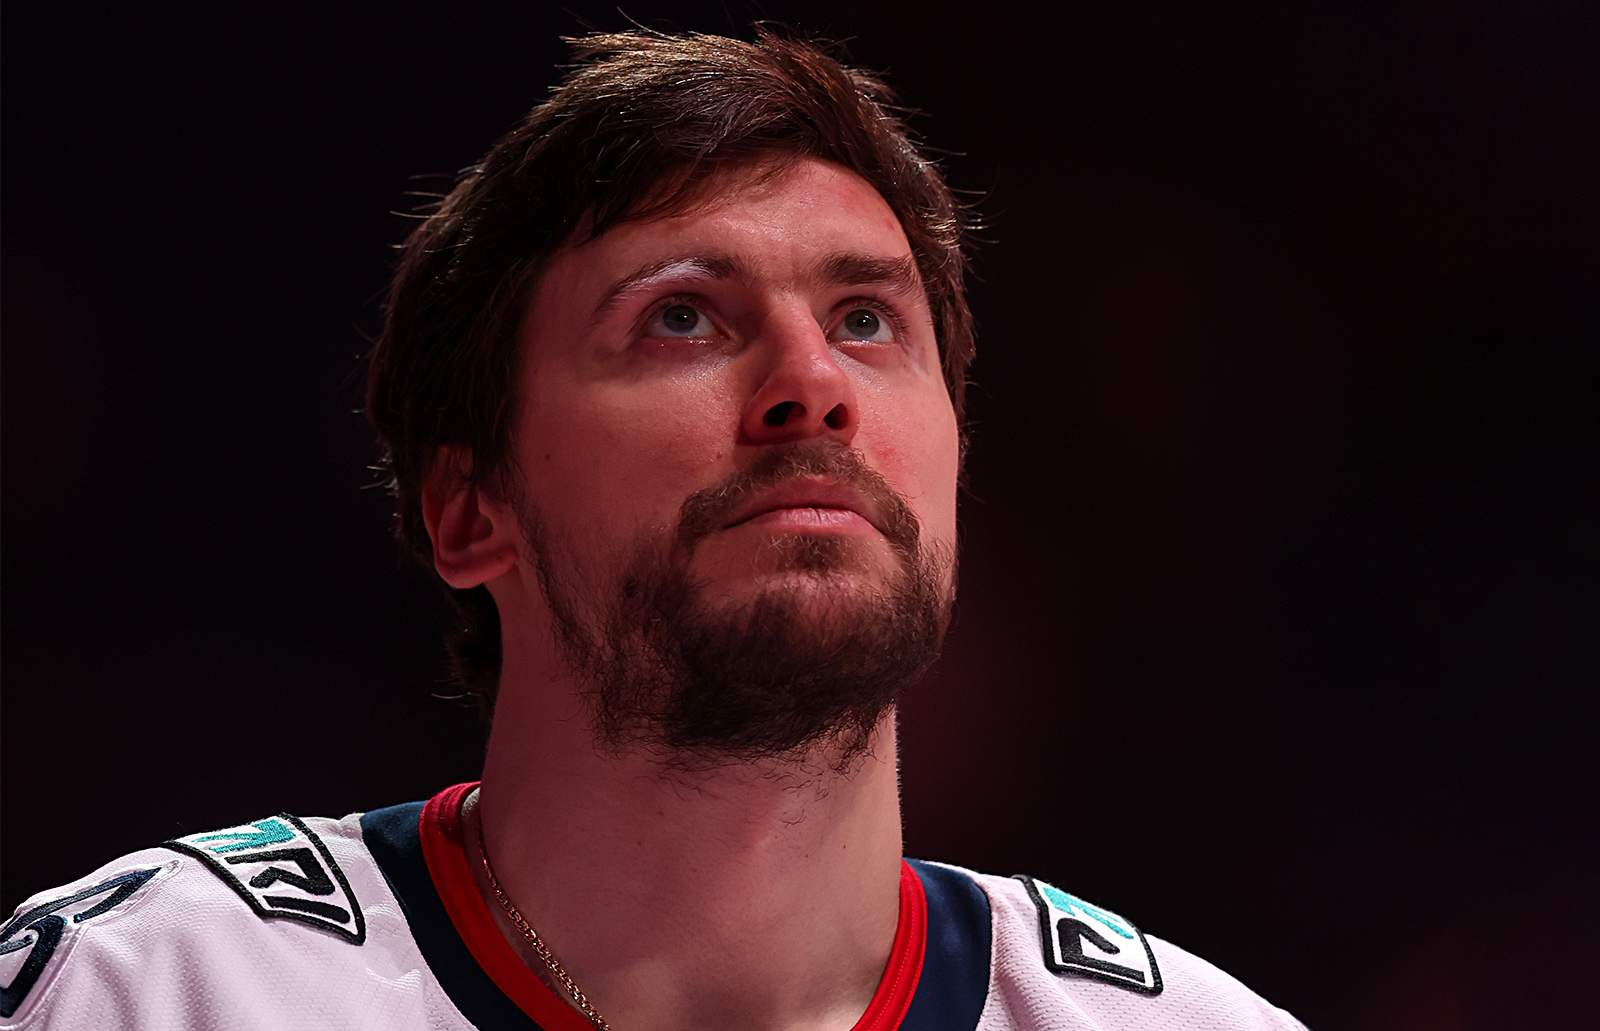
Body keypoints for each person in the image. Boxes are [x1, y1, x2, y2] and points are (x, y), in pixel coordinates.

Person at [0, 31, 1307, 1031]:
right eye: (682, 317)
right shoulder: (150, 991)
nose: (815, 384)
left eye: (867, 321)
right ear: (470, 508)